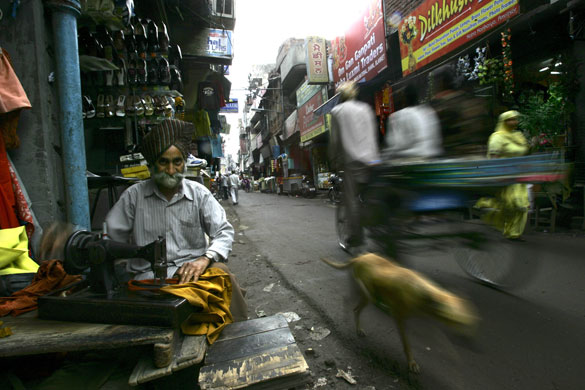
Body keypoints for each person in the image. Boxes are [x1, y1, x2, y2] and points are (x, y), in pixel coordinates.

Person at [105, 119, 247, 320]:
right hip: (148, 281)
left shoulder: (199, 194)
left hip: (193, 274)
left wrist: (205, 259)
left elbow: (223, 232)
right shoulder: (133, 197)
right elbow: (109, 237)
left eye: (177, 162)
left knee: (222, 276)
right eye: (163, 162)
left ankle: (239, 338)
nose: (171, 170)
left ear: (184, 162)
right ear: (153, 164)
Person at [329, 81, 381, 247]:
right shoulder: (365, 108)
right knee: (371, 195)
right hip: (373, 160)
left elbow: (335, 141)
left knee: (351, 199)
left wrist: (333, 161)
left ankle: (356, 235)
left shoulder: (337, 111)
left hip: (352, 162)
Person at [476, 110, 530, 240]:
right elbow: (494, 157)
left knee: (521, 204)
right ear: (504, 122)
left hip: (519, 175)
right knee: (510, 204)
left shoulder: (518, 135)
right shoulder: (497, 137)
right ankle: (490, 210)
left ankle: (514, 233)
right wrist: (498, 174)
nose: (514, 122)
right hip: (505, 175)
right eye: (511, 119)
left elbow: (525, 151)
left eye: (515, 119)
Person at [383, 82, 443, 160]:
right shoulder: (428, 111)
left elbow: (396, 144)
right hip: (434, 156)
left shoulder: (398, 116)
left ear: (404, 99)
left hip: (413, 159)